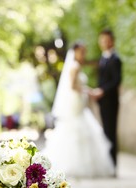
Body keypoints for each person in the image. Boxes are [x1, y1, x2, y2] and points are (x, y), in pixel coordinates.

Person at [44, 42, 115, 178]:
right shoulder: (74, 66)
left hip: (79, 103)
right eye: (81, 52)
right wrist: (88, 91)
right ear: (75, 52)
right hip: (75, 103)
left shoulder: (76, 66)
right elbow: (72, 87)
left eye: (84, 52)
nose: (83, 55)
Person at [91, 29, 122, 173]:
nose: (105, 43)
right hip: (102, 102)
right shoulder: (102, 59)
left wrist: (102, 90)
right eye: (102, 40)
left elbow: (116, 80)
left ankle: (113, 166)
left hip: (111, 101)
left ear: (112, 41)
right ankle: (107, 165)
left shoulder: (116, 59)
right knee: (105, 133)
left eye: (107, 40)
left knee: (111, 133)